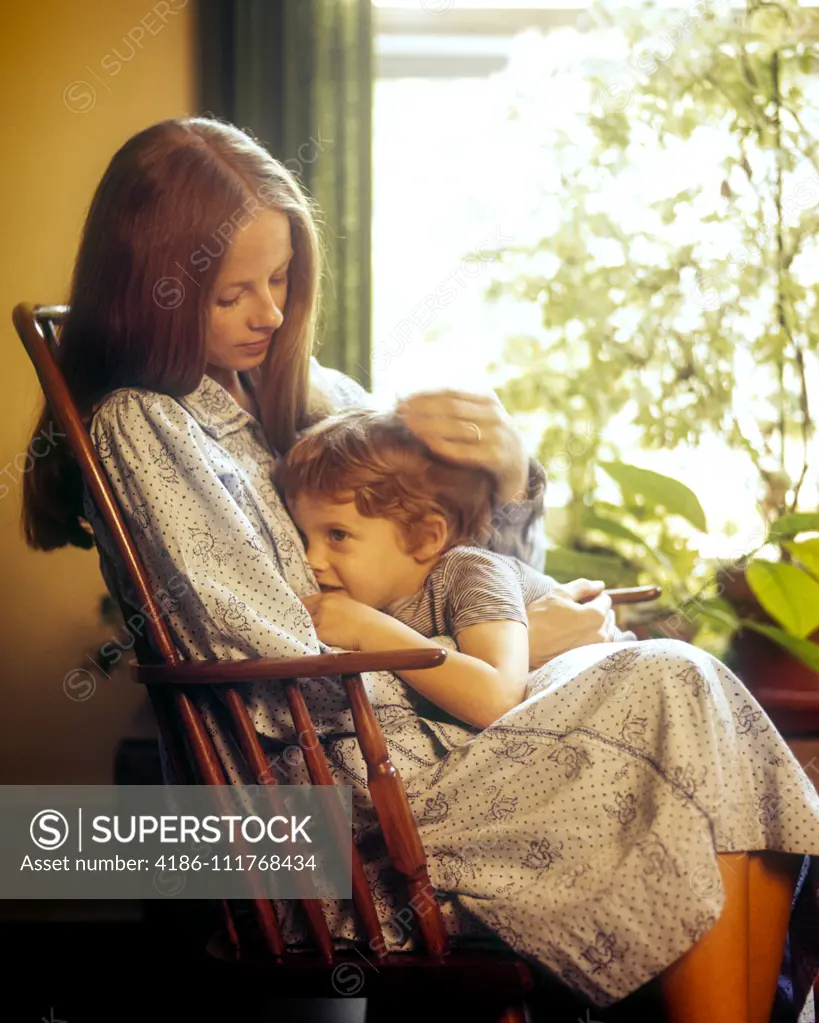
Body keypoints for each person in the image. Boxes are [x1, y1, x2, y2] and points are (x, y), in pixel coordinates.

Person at [20, 116, 819, 1023]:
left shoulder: (297, 392)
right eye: (231, 293)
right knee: (673, 688)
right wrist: (491, 666)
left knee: (692, 701)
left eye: (280, 279)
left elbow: (455, 565)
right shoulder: (147, 424)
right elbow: (285, 681)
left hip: (425, 742)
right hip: (348, 808)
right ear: (153, 293)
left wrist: (510, 498)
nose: (271, 313)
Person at [276, 407, 635, 732]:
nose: (312, 559)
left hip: (626, 694)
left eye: (338, 534)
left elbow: (498, 699)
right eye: (305, 537)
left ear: (425, 537)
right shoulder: (383, 596)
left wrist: (366, 629)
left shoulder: (470, 573)